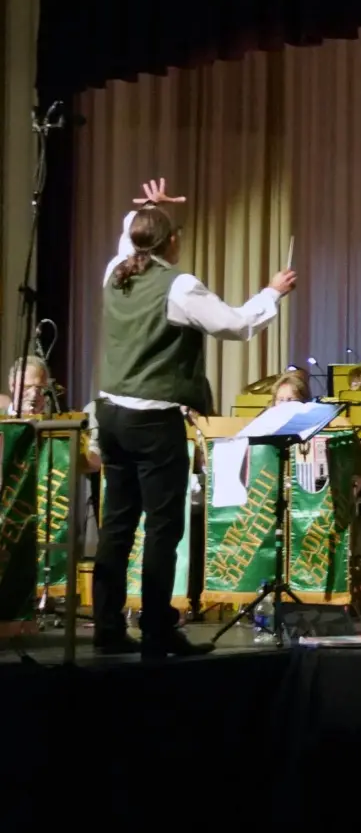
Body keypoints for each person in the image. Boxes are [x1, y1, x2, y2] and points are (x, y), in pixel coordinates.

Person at [93, 178, 296, 658]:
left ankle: (106, 628)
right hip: (152, 421)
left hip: (110, 414)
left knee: (118, 525)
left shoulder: (113, 271)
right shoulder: (177, 285)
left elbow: (131, 236)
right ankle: (157, 630)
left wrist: (147, 207)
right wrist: (271, 292)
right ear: (171, 242)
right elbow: (235, 324)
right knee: (164, 527)